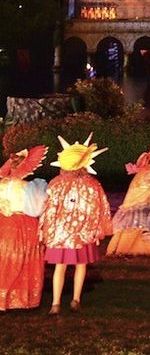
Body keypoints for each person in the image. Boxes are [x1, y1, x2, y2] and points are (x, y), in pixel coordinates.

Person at [39, 134, 113, 314]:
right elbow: (100, 209)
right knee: (81, 265)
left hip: (60, 234)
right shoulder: (93, 184)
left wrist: (46, 231)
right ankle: (75, 299)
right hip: (83, 234)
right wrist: (97, 231)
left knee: (60, 267)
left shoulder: (56, 184)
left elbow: (48, 210)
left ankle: (55, 304)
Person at [0, 146, 48, 310]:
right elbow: (38, 208)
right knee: (23, 258)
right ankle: (21, 298)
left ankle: (3, 298)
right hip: (24, 224)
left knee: (4, 259)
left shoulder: (2, 184)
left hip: (4, 224)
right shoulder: (28, 186)